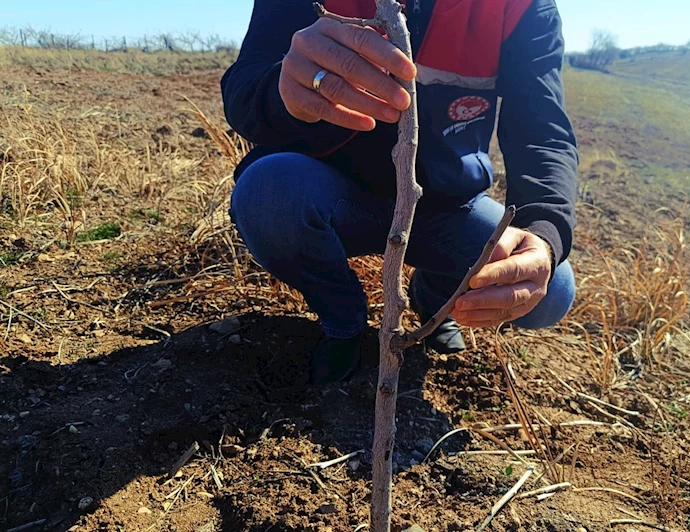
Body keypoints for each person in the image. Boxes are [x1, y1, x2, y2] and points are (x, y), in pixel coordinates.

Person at [221, 0, 578, 385]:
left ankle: (433, 295)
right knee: (267, 196)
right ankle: (343, 323)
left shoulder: (522, 7)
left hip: (446, 205)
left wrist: (544, 233)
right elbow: (244, 85)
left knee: (552, 286)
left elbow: (542, 133)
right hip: (322, 187)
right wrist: (283, 90)